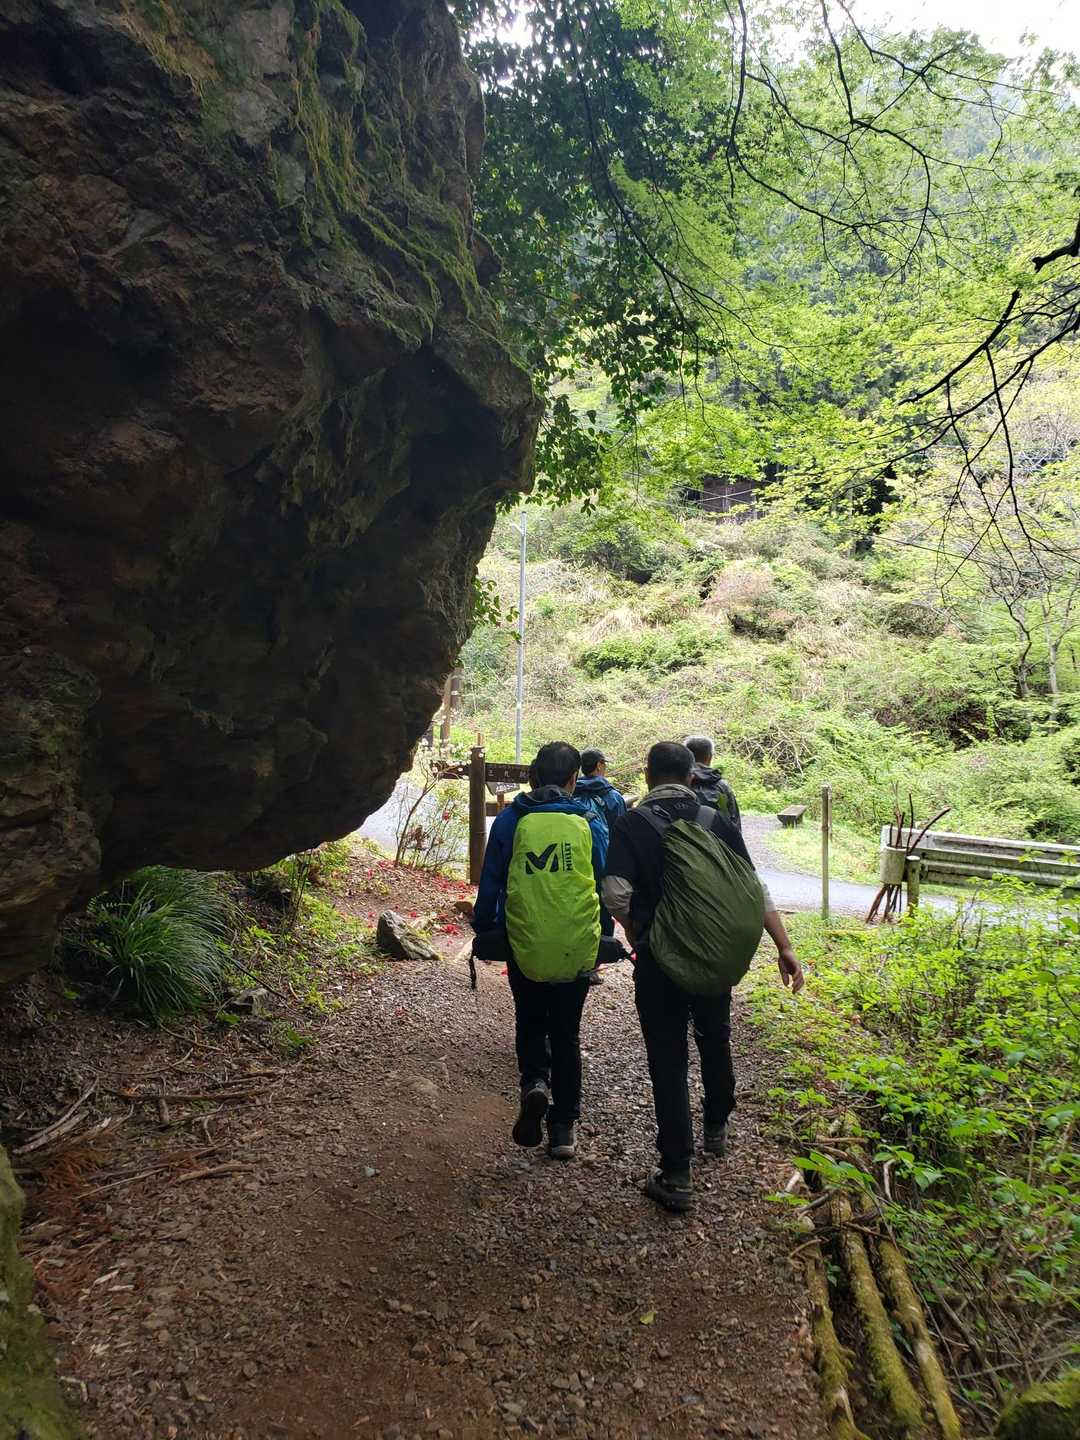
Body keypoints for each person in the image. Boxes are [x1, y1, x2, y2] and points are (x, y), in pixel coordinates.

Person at [602, 741, 803, 1212]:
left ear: (648, 775)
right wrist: (785, 946)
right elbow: (754, 888)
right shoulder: (717, 820)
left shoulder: (632, 823)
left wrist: (641, 930)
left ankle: (677, 1172)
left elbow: (614, 892)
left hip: (659, 962)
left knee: (668, 1058)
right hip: (714, 956)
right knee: (715, 1037)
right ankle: (716, 1125)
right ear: (691, 777)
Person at [473, 742, 608, 1160]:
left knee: (530, 1019)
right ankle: (563, 1129)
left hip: (524, 937)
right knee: (566, 1033)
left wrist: (485, 927)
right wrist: (602, 936)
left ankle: (534, 1083)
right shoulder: (589, 820)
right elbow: (602, 882)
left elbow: (491, 879)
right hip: (575, 941)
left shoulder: (511, 819)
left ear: (532, 775)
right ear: (573, 779)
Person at [683, 734, 741, 830]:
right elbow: (734, 822)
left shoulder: (678, 781)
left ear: (685, 755)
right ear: (709, 757)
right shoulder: (722, 785)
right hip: (715, 837)